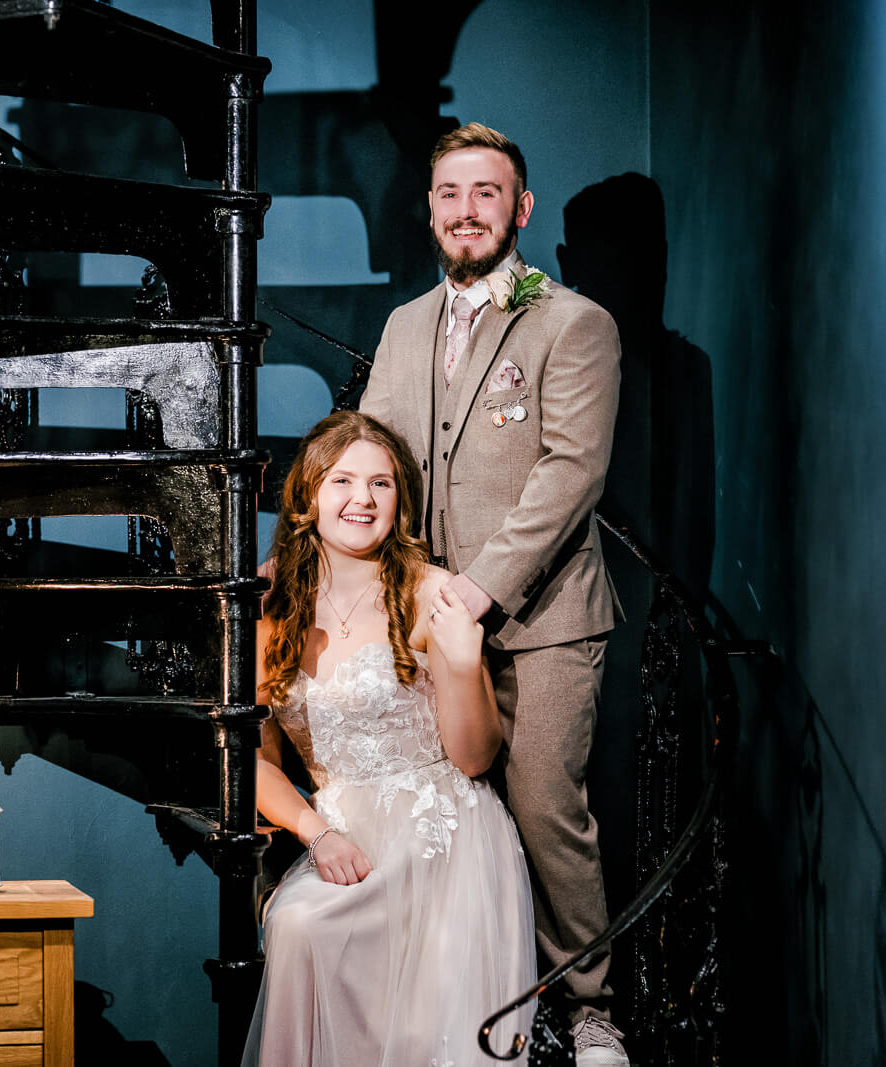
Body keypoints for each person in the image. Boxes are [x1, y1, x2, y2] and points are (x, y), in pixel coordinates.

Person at [359, 122, 627, 1065]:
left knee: (547, 806)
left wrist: (476, 589)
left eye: (485, 193)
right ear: (430, 210)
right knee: (447, 806)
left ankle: (589, 1003)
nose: (465, 211)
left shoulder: (576, 323)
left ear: (519, 208)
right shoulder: (401, 328)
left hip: (547, 619)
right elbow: (376, 458)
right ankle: (468, 995)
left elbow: (571, 475)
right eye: (449, 193)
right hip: (428, 612)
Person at [242, 411, 536, 1066]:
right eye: (343, 480)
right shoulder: (265, 602)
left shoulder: (430, 591)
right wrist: (313, 831)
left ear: (400, 500)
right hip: (344, 833)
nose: (363, 499)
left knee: (411, 1035)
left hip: (440, 838)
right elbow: (250, 758)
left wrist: (461, 662)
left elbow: (476, 756)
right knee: (295, 922)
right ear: (307, 494)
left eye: (382, 484)